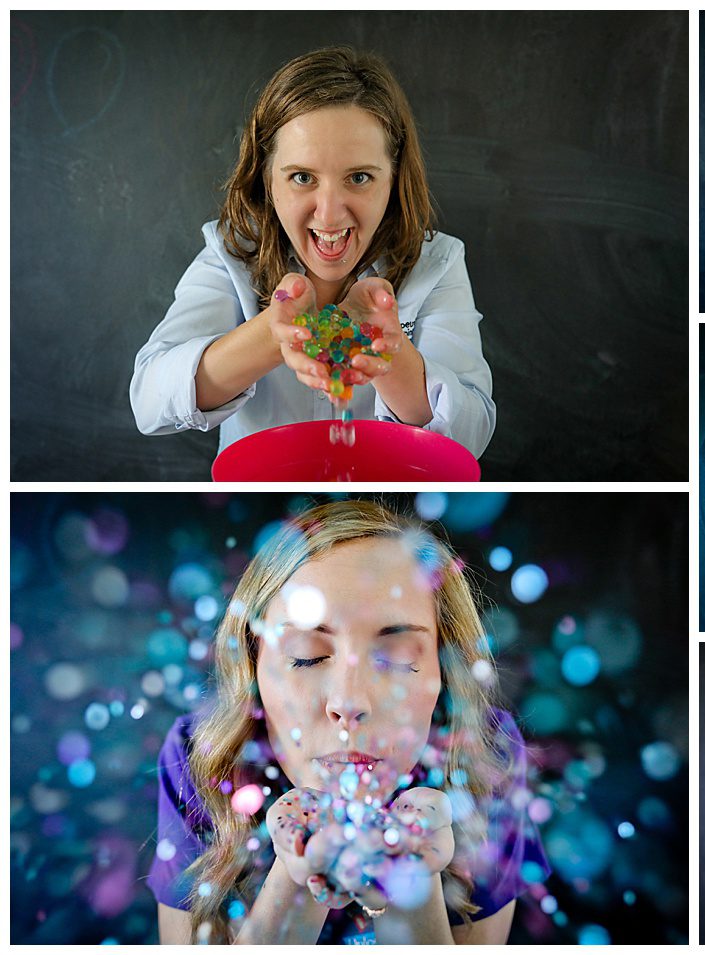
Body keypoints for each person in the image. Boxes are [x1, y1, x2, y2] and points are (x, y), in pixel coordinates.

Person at [149, 500, 545, 944]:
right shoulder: (201, 755)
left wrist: (410, 882)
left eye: (395, 658)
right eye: (307, 656)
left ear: (444, 672)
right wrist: (298, 877)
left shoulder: (485, 753)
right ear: (253, 671)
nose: (349, 701)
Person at [131, 47, 495, 458]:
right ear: (268, 180)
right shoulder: (232, 253)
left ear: (393, 180)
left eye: (359, 177)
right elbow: (149, 402)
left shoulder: (438, 262)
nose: (329, 212)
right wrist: (274, 331)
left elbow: (470, 437)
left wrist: (389, 354)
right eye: (302, 177)